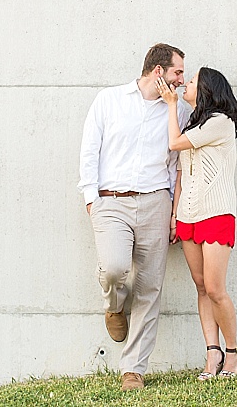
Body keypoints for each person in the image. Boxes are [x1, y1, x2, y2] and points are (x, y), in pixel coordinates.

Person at [78, 43, 190, 391]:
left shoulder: (179, 110)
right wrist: (91, 199)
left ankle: (133, 370)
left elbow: (177, 165)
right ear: (159, 72)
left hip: (156, 201)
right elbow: (90, 150)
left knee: (149, 286)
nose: (181, 80)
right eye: (177, 73)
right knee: (114, 268)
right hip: (111, 201)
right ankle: (113, 306)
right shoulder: (109, 100)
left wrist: (173, 212)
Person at [156, 67, 237, 380]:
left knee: (216, 288)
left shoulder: (220, 122)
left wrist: (169, 105)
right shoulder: (194, 122)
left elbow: (174, 144)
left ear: (206, 89)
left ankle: (232, 353)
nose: (186, 85)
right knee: (202, 286)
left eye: (191, 82)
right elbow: (180, 174)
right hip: (188, 216)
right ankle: (212, 352)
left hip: (216, 213)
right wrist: (174, 215)